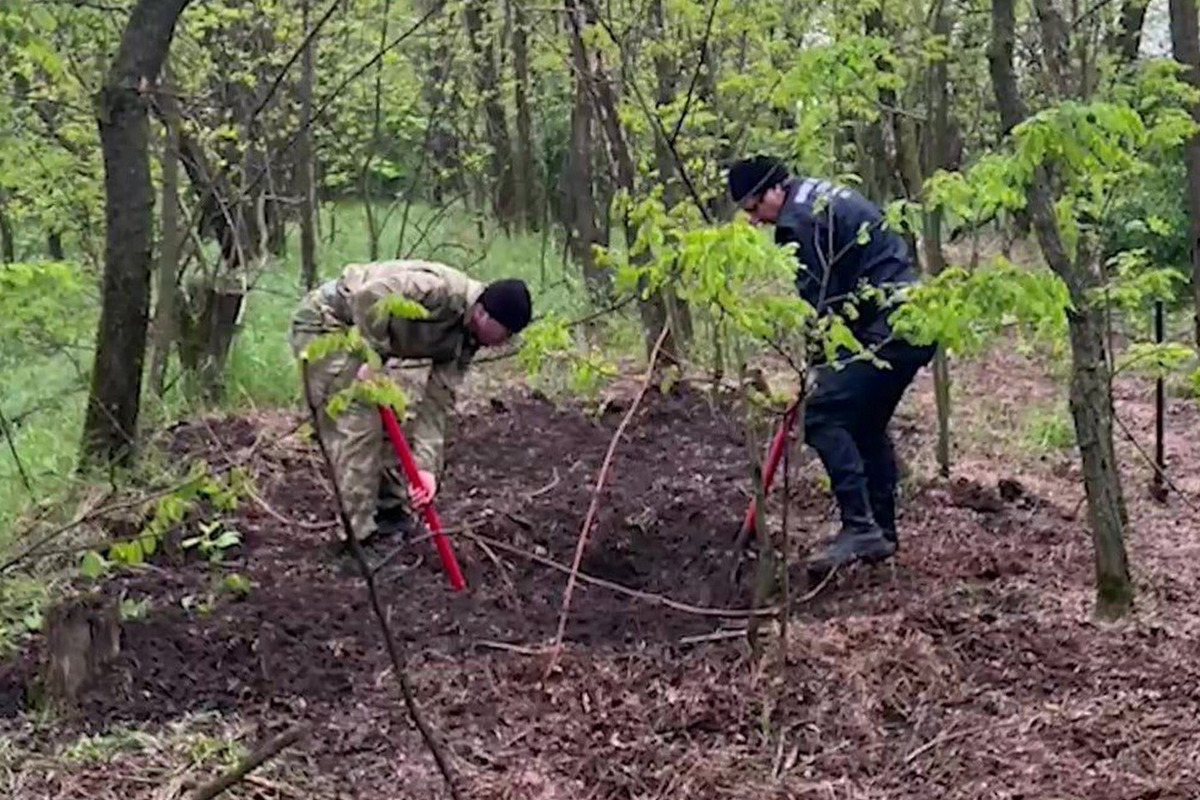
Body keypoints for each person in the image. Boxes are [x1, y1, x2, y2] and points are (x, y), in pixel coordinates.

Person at [726, 155, 937, 578]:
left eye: (754, 208)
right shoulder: (815, 198)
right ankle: (881, 531)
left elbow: (823, 303)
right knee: (864, 423)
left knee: (822, 416)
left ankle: (860, 528)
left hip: (891, 330)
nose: (755, 221)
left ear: (773, 190)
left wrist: (817, 367)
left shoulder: (800, 221)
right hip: (913, 322)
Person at [290, 259, 532, 546]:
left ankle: (389, 511)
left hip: (363, 338)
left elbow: (436, 406)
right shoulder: (438, 290)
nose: (503, 343)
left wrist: (426, 469)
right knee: (360, 422)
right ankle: (357, 537)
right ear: (484, 315)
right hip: (328, 323)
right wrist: (373, 355)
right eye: (505, 334)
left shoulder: (465, 340)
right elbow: (370, 295)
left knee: (394, 416)